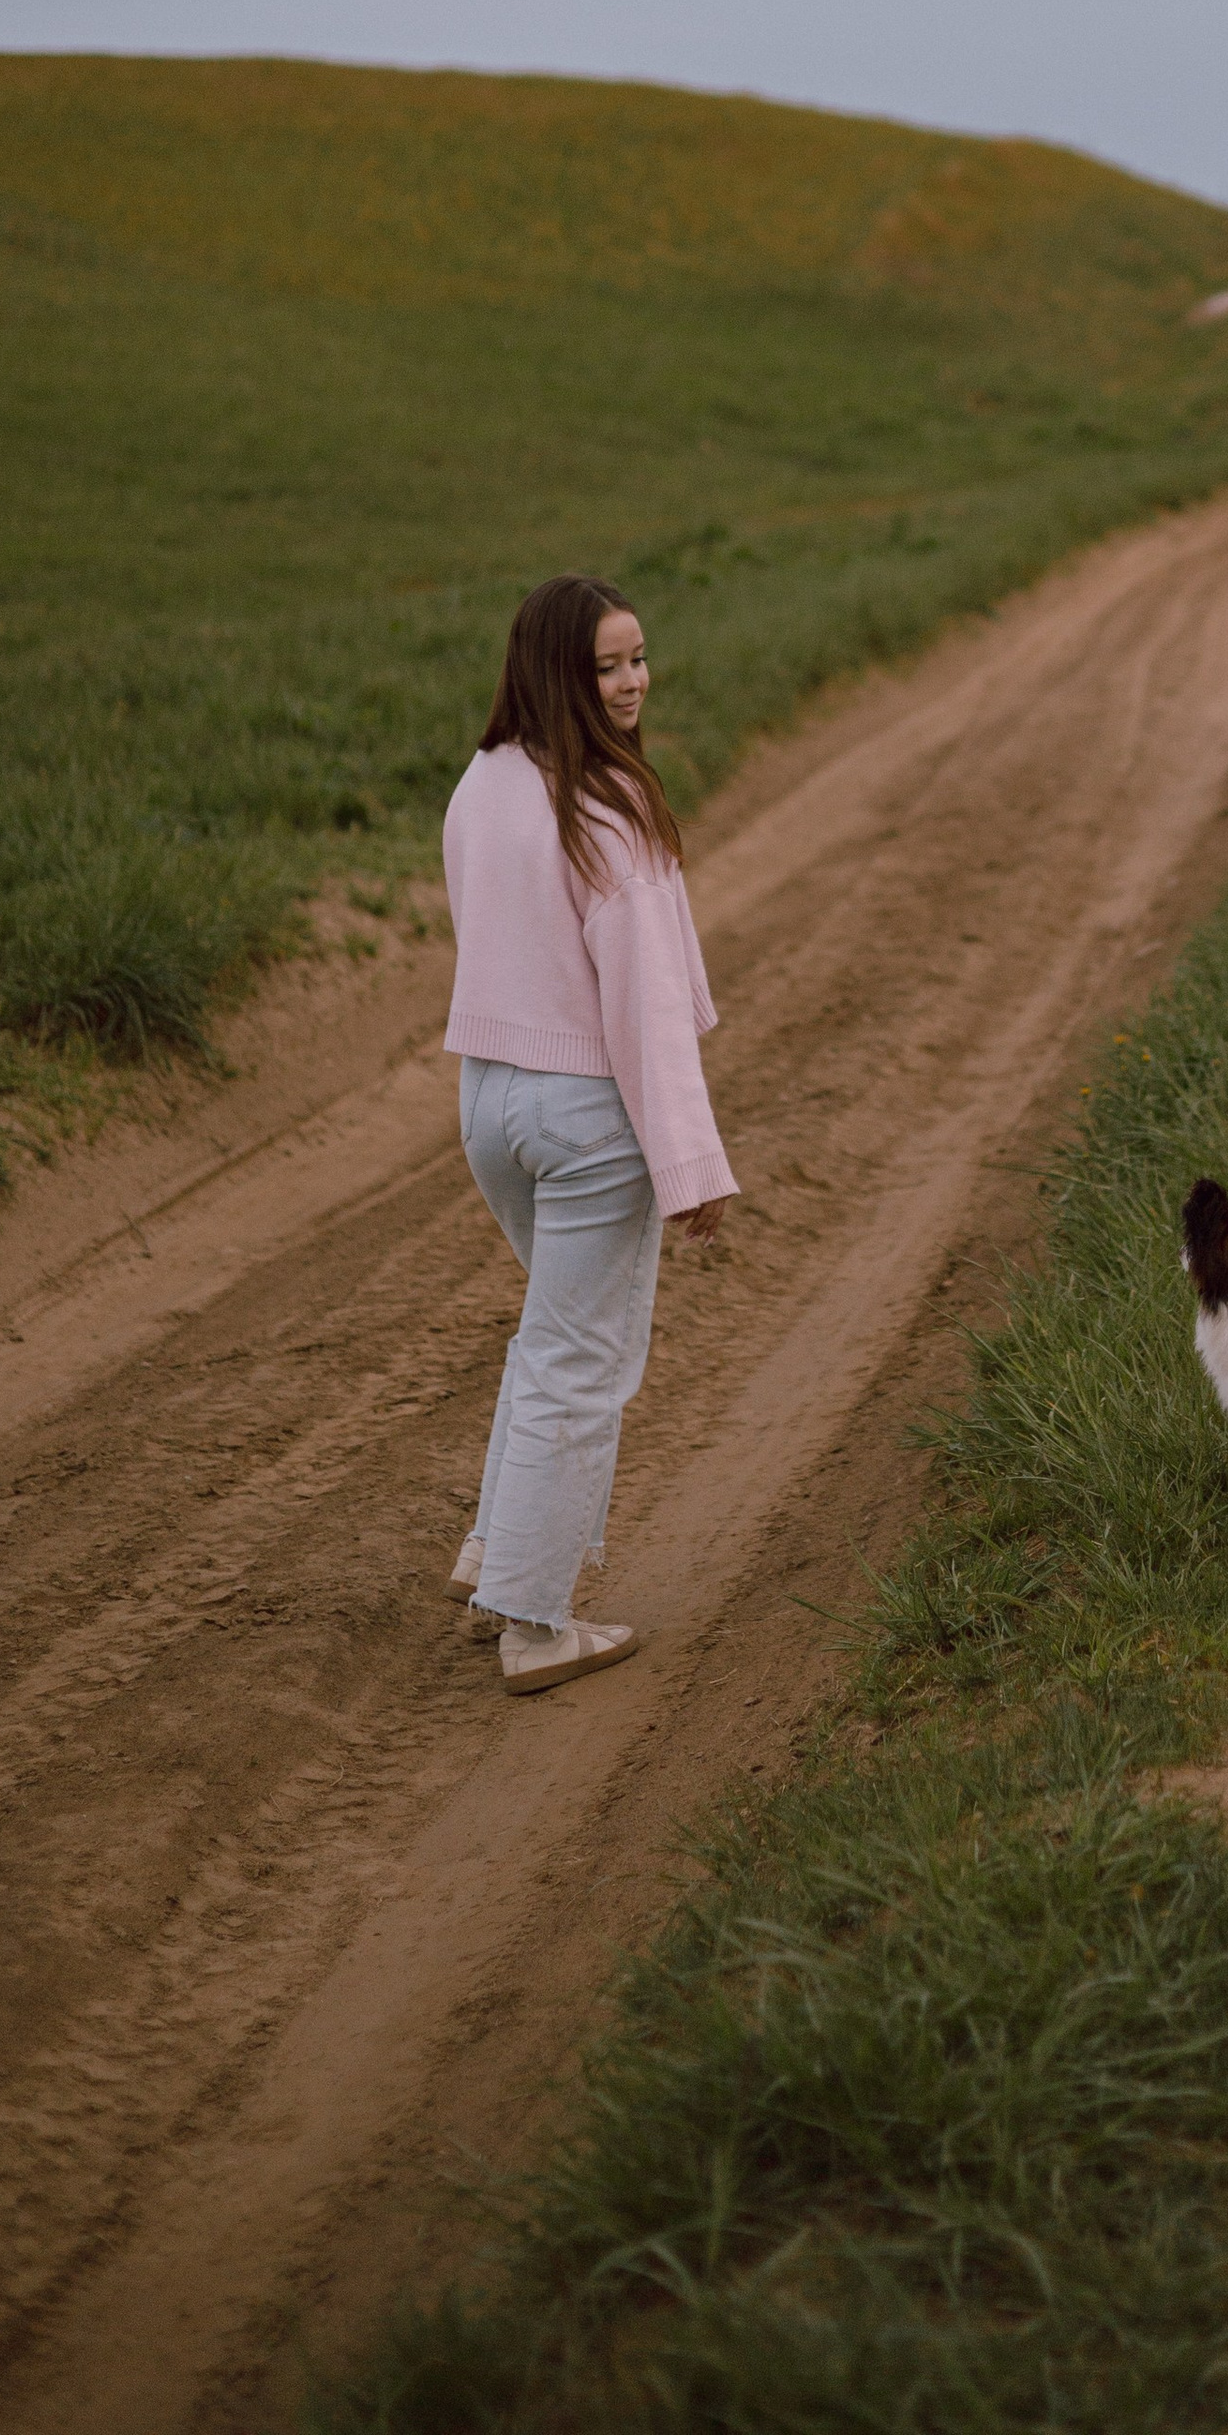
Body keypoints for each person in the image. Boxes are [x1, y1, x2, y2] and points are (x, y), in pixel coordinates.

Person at [439, 574, 736, 1694]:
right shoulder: (607, 807)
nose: (630, 682)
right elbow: (645, 1014)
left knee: (551, 1338)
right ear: (555, 671)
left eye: (638, 659)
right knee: (585, 1360)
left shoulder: (483, 783)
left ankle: (491, 1552)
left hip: (489, 1101)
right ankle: (534, 1621)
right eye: (606, 665)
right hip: (584, 1115)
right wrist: (688, 1166)